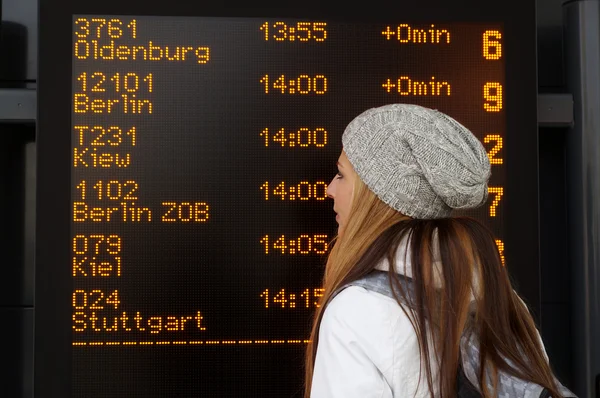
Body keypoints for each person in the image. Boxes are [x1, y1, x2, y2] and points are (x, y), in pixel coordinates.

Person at [304, 104, 565, 398]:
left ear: (375, 197)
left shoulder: (355, 310)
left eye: (341, 176)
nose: (328, 189)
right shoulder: (501, 298)